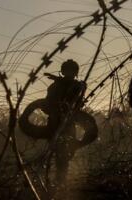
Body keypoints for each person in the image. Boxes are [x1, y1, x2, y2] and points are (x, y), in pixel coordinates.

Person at [43, 59, 87, 188]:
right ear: (63, 71)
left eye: (72, 71)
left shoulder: (78, 86)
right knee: (57, 152)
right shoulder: (56, 86)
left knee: (65, 152)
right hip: (56, 123)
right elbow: (47, 105)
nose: (70, 73)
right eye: (68, 70)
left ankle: (60, 181)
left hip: (68, 123)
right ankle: (55, 181)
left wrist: (82, 90)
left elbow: (79, 104)